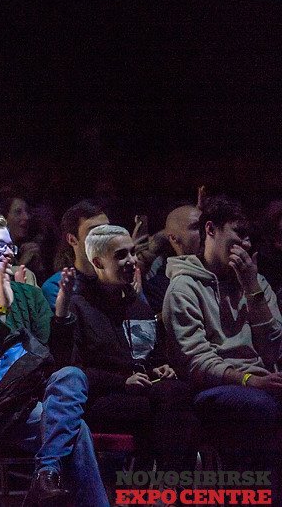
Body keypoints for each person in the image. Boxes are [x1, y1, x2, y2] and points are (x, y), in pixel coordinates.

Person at [0, 216, 108, 507]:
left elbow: (54, 361)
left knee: (72, 376)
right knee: (75, 430)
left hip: (36, 401)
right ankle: (46, 478)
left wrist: (62, 315)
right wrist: (1, 312)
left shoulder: (29, 295)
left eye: (10, 246)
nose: (7, 252)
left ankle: (46, 473)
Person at [163, 196, 282, 502]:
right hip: (216, 387)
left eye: (248, 236)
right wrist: (248, 380)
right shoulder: (183, 287)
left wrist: (252, 290)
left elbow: (273, 353)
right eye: (238, 233)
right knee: (260, 410)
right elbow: (196, 363)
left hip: (260, 382)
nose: (244, 242)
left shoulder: (256, 282)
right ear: (211, 230)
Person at [66, 224, 196, 472]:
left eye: (133, 252)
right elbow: (75, 369)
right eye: (121, 255)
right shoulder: (80, 307)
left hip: (147, 391)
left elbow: (153, 354)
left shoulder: (138, 305)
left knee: (177, 398)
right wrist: (122, 381)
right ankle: (167, 488)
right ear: (98, 262)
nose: (132, 261)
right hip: (102, 397)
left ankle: (160, 487)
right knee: (167, 410)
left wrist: (162, 367)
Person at [41, 201, 109, 311]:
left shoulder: (118, 277)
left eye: (108, 231)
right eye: (95, 233)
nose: (105, 238)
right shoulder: (57, 287)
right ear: (72, 239)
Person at [144, 204, 201, 314]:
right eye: (195, 227)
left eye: (204, 226)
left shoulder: (220, 272)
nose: (204, 232)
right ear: (174, 238)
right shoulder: (158, 287)